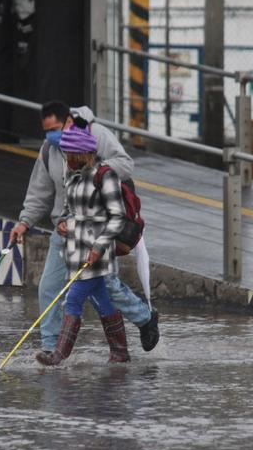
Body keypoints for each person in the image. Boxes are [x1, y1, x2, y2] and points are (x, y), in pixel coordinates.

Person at [10, 101, 160, 360]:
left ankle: (142, 320)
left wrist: (95, 171)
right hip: (68, 235)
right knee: (52, 288)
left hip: (97, 235)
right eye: (47, 132)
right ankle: (54, 347)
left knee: (100, 291)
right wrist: (27, 222)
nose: (52, 138)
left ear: (69, 121)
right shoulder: (52, 152)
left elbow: (125, 167)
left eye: (55, 129)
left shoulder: (97, 140)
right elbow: (41, 193)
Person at [37, 125, 130, 365]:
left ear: (79, 154)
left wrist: (99, 246)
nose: (65, 158)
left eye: (68, 154)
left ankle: (59, 354)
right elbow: (68, 211)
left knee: (73, 299)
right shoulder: (71, 176)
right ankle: (120, 352)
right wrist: (63, 224)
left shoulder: (105, 175)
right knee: (104, 302)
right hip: (77, 252)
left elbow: (117, 216)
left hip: (98, 252)